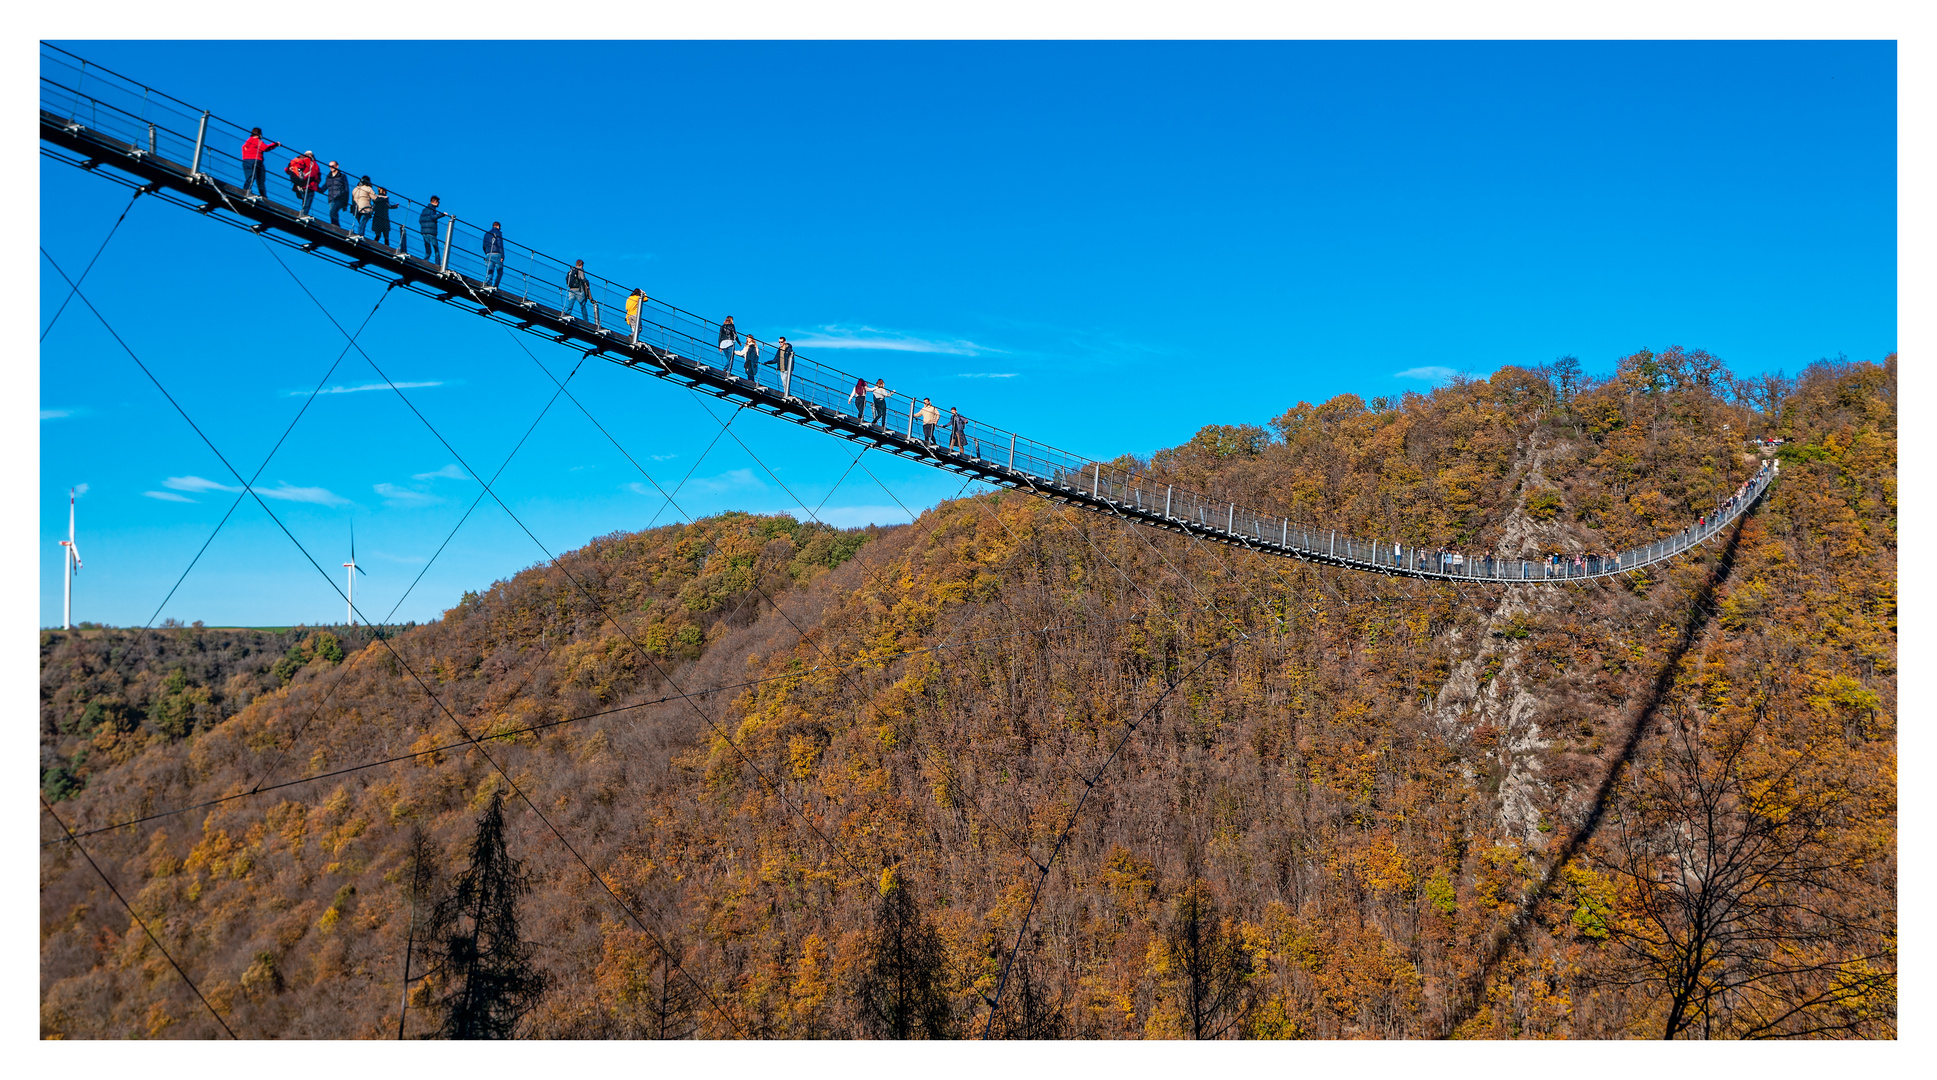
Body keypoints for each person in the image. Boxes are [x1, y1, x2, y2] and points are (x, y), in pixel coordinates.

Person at [240, 127, 280, 199]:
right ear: (260, 134)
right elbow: (265, 148)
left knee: (249, 177)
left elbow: (243, 148)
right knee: (260, 178)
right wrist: (275, 144)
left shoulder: (247, 141)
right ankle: (263, 195)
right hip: (256, 160)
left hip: (246, 161)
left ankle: (246, 190)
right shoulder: (257, 141)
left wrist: (245, 158)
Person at [285, 150, 322, 216]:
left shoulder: (302, 160)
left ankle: (304, 211)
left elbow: (299, 166)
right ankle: (304, 213)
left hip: (303, 183)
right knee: (308, 198)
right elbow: (315, 173)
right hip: (309, 184)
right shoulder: (312, 163)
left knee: (305, 198)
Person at [372, 186, 400, 251]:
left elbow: (374, 207)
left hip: (378, 217)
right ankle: (387, 248)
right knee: (385, 235)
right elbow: (388, 206)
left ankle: (374, 244)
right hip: (384, 218)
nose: (386, 192)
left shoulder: (377, 198)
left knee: (378, 234)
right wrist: (394, 206)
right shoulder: (384, 199)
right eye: (384, 191)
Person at [419, 196, 446, 264]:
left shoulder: (424, 209)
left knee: (428, 248)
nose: (438, 203)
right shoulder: (432, 209)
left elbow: (420, 220)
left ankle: (425, 261)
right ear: (435, 202)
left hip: (424, 232)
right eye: (438, 202)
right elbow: (433, 217)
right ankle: (438, 264)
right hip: (431, 232)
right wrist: (442, 214)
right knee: (436, 249)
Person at [324, 161, 350, 227]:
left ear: (337, 166)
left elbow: (346, 190)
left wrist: (345, 204)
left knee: (333, 212)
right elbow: (324, 187)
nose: (331, 167)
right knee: (333, 214)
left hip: (340, 198)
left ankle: (336, 227)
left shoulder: (342, 176)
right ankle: (335, 226)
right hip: (331, 199)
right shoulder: (328, 177)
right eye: (330, 166)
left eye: (332, 165)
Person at [482, 222, 506, 288]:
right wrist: (502, 256)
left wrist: (487, 253)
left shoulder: (486, 234)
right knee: (500, 271)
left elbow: (483, 245)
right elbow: (500, 244)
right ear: (498, 226)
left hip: (488, 254)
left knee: (490, 270)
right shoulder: (498, 233)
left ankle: (488, 284)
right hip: (497, 254)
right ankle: (495, 286)